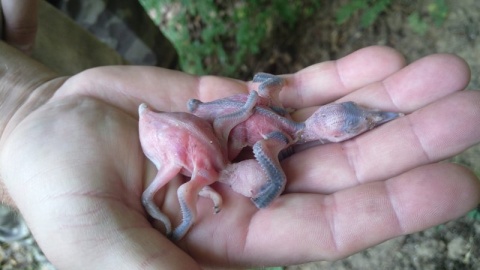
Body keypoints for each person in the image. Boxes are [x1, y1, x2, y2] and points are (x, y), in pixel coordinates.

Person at [1, 1, 480, 269]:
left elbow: (258, 130)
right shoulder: (269, 137)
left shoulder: (274, 137)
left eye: (351, 122)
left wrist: (25, 101)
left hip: (200, 130)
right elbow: (256, 129)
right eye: (354, 122)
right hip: (190, 130)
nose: (358, 123)